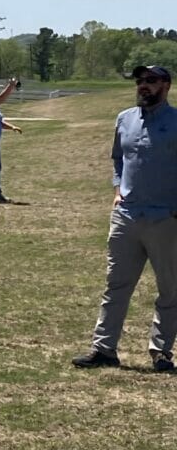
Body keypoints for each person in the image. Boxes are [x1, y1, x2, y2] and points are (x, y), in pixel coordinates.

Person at [73, 65, 177, 372]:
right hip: (126, 217)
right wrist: (118, 190)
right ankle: (104, 349)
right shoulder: (124, 119)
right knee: (116, 285)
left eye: (151, 81)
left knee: (170, 289)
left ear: (166, 85)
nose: (143, 85)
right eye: (140, 81)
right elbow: (118, 158)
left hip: (165, 219)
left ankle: (161, 352)